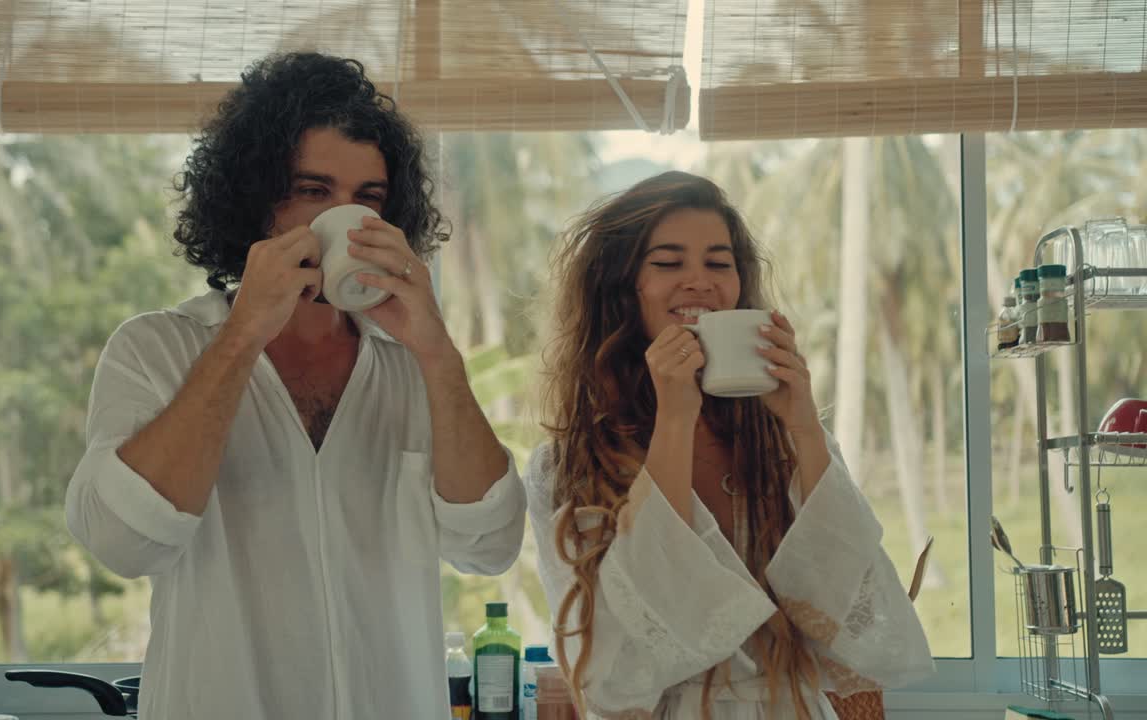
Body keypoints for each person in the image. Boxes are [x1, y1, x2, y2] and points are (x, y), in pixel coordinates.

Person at [65, 52, 527, 719]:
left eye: (368, 198)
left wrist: (437, 353)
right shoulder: (157, 350)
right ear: (257, 203)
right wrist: (243, 334)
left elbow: (489, 545)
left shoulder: (413, 367)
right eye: (314, 190)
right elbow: (122, 541)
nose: (348, 219)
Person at [524, 171, 933, 719]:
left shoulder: (782, 442)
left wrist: (805, 427)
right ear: (621, 286)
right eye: (668, 263)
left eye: (719, 263)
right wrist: (674, 419)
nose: (699, 281)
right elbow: (616, 667)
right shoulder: (568, 466)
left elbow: (855, 614)